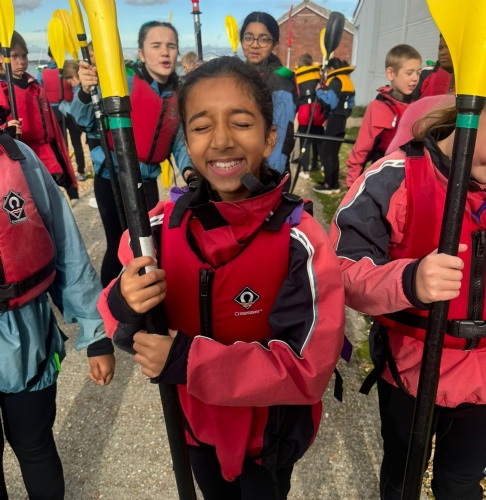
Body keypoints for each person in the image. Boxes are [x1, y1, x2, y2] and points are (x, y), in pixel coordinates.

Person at [97, 56, 346, 499]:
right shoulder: (157, 231)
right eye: (201, 126)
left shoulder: (300, 239)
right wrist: (124, 303)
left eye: (242, 123)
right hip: (196, 428)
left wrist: (186, 361)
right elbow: (120, 325)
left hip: (269, 436)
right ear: (186, 141)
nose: (222, 140)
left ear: (270, 137)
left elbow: (309, 369)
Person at [331, 64, 486, 500]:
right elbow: (342, 269)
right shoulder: (395, 176)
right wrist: (408, 280)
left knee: (460, 484)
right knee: (402, 477)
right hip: (411, 369)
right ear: (473, 107)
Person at [0, 129, 115, 499]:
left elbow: (65, 243)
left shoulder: (18, 157)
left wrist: (96, 334)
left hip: (27, 339)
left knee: (34, 443)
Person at [72, 21, 194, 288]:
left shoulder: (179, 93)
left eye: (171, 46)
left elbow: (179, 142)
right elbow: (84, 121)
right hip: (112, 179)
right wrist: (85, 90)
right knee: (118, 247)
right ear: (141, 53)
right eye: (156, 46)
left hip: (146, 182)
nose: (165, 52)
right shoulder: (121, 81)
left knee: (145, 250)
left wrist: (189, 171)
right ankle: (109, 305)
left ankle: (142, 302)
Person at [0, 32, 79, 203]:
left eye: (24, 55)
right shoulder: (2, 89)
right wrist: (5, 130)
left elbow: (55, 135)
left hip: (47, 160)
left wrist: (71, 185)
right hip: (20, 163)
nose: (21, 62)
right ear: (1, 58)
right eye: (14, 56)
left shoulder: (36, 87)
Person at [346, 44, 421, 187]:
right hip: (384, 179)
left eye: (418, 72)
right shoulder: (379, 107)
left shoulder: (417, 106)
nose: (415, 78)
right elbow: (362, 149)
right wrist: (352, 185)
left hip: (410, 180)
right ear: (391, 74)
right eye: (409, 73)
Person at [240, 11, 298, 174]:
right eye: (248, 37)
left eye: (264, 39)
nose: (255, 45)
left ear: (275, 45)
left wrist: (270, 177)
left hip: (265, 173)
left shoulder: (280, 81)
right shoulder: (239, 75)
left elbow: (281, 137)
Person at [315, 57, 355, 194]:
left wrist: (319, 91)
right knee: (334, 153)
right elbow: (350, 104)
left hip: (334, 119)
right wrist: (343, 115)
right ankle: (334, 184)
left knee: (327, 152)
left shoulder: (335, 81)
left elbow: (330, 103)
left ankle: (328, 185)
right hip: (342, 120)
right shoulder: (347, 81)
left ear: (331, 69)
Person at [294, 53, 325, 181]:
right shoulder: (318, 74)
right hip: (317, 110)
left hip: (304, 111)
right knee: (320, 141)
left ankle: (305, 170)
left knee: (305, 143)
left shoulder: (297, 76)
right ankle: (322, 165)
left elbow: (296, 94)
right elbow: (323, 88)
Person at [56, 59, 88, 181]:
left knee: (74, 143)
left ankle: (78, 171)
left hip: (84, 126)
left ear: (73, 75)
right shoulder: (78, 88)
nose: (69, 83)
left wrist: (65, 106)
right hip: (78, 123)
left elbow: (80, 112)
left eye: (69, 80)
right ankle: (81, 171)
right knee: (77, 143)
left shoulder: (81, 89)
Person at [413, 34, 454, 99]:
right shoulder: (426, 73)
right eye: (440, 48)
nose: (442, 53)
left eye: (449, 47)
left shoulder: (469, 82)